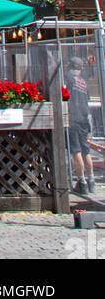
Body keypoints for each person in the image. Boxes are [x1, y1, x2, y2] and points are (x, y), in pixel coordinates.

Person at [67, 56, 95, 196]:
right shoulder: (83, 82)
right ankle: (91, 180)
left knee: (76, 151)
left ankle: (82, 182)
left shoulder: (69, 79)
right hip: (85, 117)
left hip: (73, 118)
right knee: (86, 151)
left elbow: (64, 96)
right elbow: (87, 100)